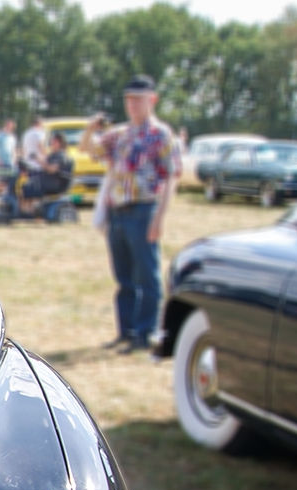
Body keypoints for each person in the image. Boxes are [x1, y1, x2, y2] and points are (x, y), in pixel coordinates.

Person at [81, 74, 181, 353]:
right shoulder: (121, 135)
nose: (133, 105)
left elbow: (172, 176)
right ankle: (126, 331)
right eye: (129, 100)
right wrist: (91, 128)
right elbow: (88, 148)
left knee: (146, 275)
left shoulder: (160, 135)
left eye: (138, 99)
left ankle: (145, 332)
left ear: (152, 100)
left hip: (143, 209)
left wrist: (160, 218)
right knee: (123, 276)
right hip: (118, 212)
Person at [18, 131, 73, 215]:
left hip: (52, 184)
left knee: (26, 188)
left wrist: (39, 161)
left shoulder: (60, 155)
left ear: (59, 143)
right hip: (47, 181)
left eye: (53, 142)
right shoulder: (54, 155)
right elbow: (45, 164)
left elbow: (52, 169)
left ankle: (27, 211)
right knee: (25, 185)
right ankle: (28, 210)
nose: (51, 144)